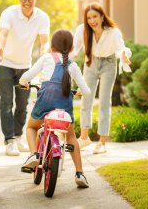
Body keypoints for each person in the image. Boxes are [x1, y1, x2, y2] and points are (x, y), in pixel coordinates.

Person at [19, 29, 91, 188]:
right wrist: (78, 92)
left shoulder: (45, 58)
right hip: (64, 109)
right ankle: (79, 173)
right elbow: (87, 91)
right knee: (71, 137)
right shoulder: (73, 66)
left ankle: (33, 154)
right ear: (72, 49)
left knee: (31, 127)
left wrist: (24, 83)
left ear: (52, 46)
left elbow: (25, 77)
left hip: (45, 102)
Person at [0, 0, 50, 156]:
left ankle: (18, 137)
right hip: (4, 62)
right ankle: (9, 141)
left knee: (23, 104)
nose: (27, 2)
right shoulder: (9, 13)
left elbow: (44, 40)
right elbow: (3, 33)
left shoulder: (42, 17)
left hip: (25, 65)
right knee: (6, 102)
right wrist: (0, 48)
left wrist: (44, 56)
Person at [71, 2, 132, 154]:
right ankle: (84, 138)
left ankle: (102, 143)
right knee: (86, 99)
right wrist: (62, 60)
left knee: (104, 101)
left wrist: (124, 56)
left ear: (102, 17)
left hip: (108, 64)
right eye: (89, 18)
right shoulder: (82, 30)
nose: (92, 21)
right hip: (91, 62)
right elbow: (75, 49)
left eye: (95, 17)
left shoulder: (112, 31)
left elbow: (121, 48)